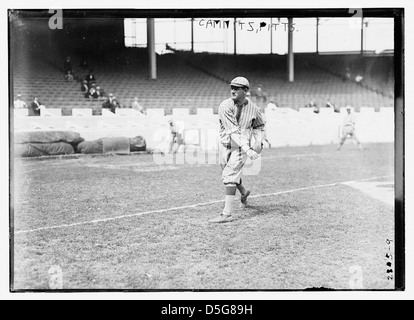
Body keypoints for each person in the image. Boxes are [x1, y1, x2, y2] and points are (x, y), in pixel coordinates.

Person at [209, 76, 265, 223]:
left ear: (245, 91)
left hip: (241, 146)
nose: (232, 90)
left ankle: (227, 214)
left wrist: (257, 142)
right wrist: (249, 150)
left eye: (237, 88)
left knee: (230, 174)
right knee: (227, 172)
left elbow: (259, 126)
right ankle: (244, 192)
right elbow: (233, 131)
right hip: (225, 143)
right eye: (231, 87)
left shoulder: (253, 108)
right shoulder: (225, 106)